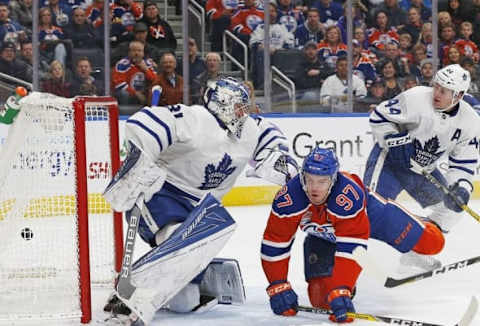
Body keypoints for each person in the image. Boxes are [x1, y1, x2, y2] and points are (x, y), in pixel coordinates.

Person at [102, 77, 300, 325]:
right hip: (160, 196)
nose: (243, 113)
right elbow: (143, 124)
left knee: (186, 302)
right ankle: (130, 295)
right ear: (220, 103)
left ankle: (186, 282)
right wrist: (139, 161)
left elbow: (274, 145)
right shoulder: (194, 118)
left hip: (201, 210)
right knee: (181, 238)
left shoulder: (250, 129)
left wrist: (286, 170)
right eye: (237, 106)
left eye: (245, 107)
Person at [261, 146, 445, 323]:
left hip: (372, 217)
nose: (314, 188)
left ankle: (419, 223)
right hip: (323, 236)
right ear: (302, 177)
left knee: (433, 243)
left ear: (333, 179)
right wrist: (277, 284)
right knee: (321, 299)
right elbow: (275, 241)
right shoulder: (288, 198)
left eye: (321, 181)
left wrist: (342, 288)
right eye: (309, 180)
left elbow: (353, 246)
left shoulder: (347, 195)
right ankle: (346, 283)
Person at [363, 64, 480, 271]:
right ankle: (348, 256)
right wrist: (392, 137)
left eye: (444, 90)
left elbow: (463, 164)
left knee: (452, 210)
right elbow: (379, 117)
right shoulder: (416, 97)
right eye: (436, 86)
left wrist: (461, 187)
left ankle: (415, 252)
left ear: (459, 95)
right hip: (390, 162)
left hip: (421, 170)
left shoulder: (470, 122)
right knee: (368, 211)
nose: (437, 93)